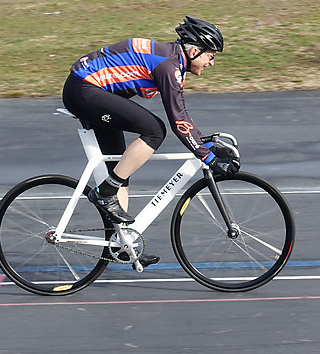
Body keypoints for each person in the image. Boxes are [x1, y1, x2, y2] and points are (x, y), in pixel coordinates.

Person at [61, 16, 240, 266]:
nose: (212, 62)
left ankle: (121, 244)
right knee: (155, 130)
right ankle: (105, 192)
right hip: (84, 90)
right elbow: (178, 121)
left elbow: (182, 115)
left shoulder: (172, 60)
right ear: (194, 50)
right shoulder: (168, 66)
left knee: (121, 168)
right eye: (211, 55)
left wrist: (204, 144)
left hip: (92, 91)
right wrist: (207, 156)